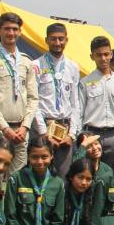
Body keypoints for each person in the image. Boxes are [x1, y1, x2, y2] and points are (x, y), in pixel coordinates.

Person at [0, 13, 40, 173]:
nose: (11, 33)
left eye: (15, 29)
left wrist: (26, 126)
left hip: (21, 131)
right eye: (7, 29)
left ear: (20, 32)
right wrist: (6, 129)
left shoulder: (27, 62)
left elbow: (33, 98)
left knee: (17, 179)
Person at [30, 23, 82, 176]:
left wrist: (72, 134)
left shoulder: (73, 67)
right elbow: (34, 102)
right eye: (53, 39)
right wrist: (44, 133)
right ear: (46, 40)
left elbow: (75, 103)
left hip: (64, 128)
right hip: (43, 126)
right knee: (39, 171)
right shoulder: (36, 66)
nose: (57, 43)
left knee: (63, 175)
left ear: (67, 40)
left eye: (61, 39)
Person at [78, 35, 114, 160]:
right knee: (90, 171)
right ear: (92, 56)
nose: (103, 58)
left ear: (111, 54)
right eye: (98, 55)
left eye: (106, 54)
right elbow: (79, 112)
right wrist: (81, 137)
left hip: (113, 137)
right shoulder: (85, 82)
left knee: (110, 174)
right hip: (91, 134)